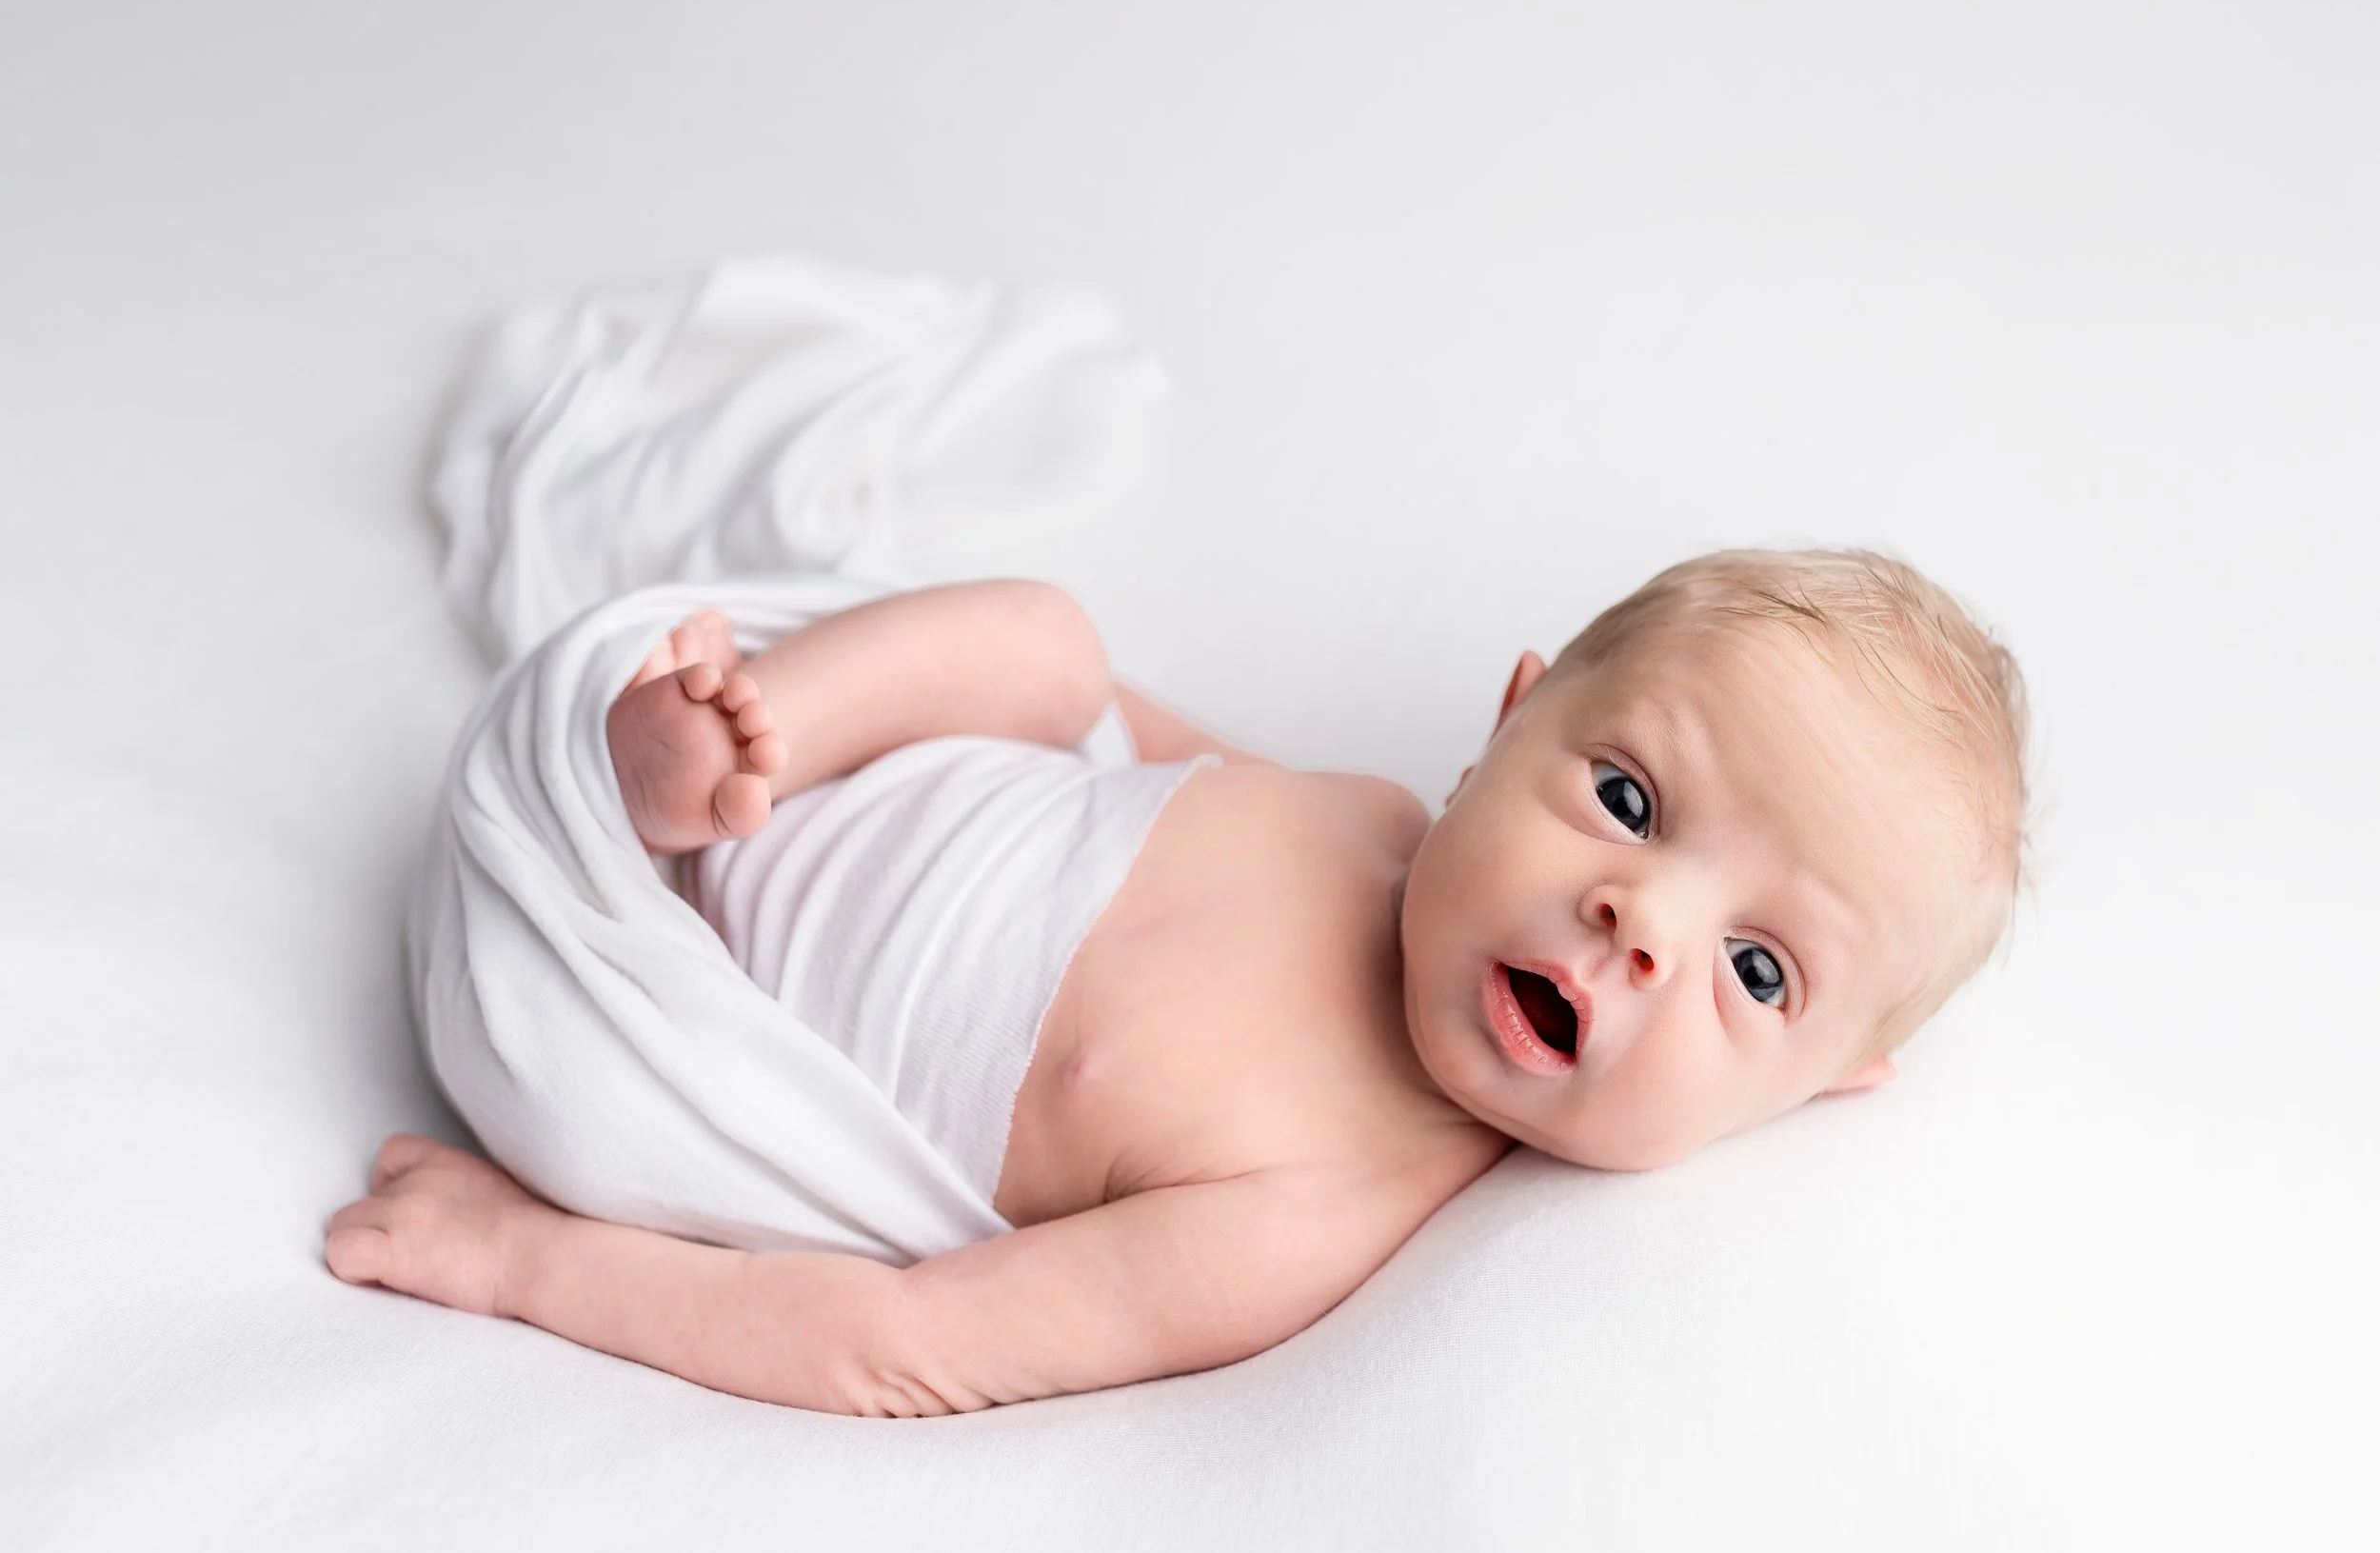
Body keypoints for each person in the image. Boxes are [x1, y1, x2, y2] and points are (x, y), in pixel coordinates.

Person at [326, 548, 2028, 1415]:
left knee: (573, 1104)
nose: (1634, 921)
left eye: (1754, 969)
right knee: (1053, 642)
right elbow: (1103, 752)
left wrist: (526, 1259)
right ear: (1508, 726)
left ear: (1817, 1090)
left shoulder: (1321, 1204)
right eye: (1630, 801)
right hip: (835, 801)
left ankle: (650, 831)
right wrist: (918, 720)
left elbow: (906, 1346)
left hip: (695, 1034)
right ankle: (718, 754)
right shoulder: (1359, 819)